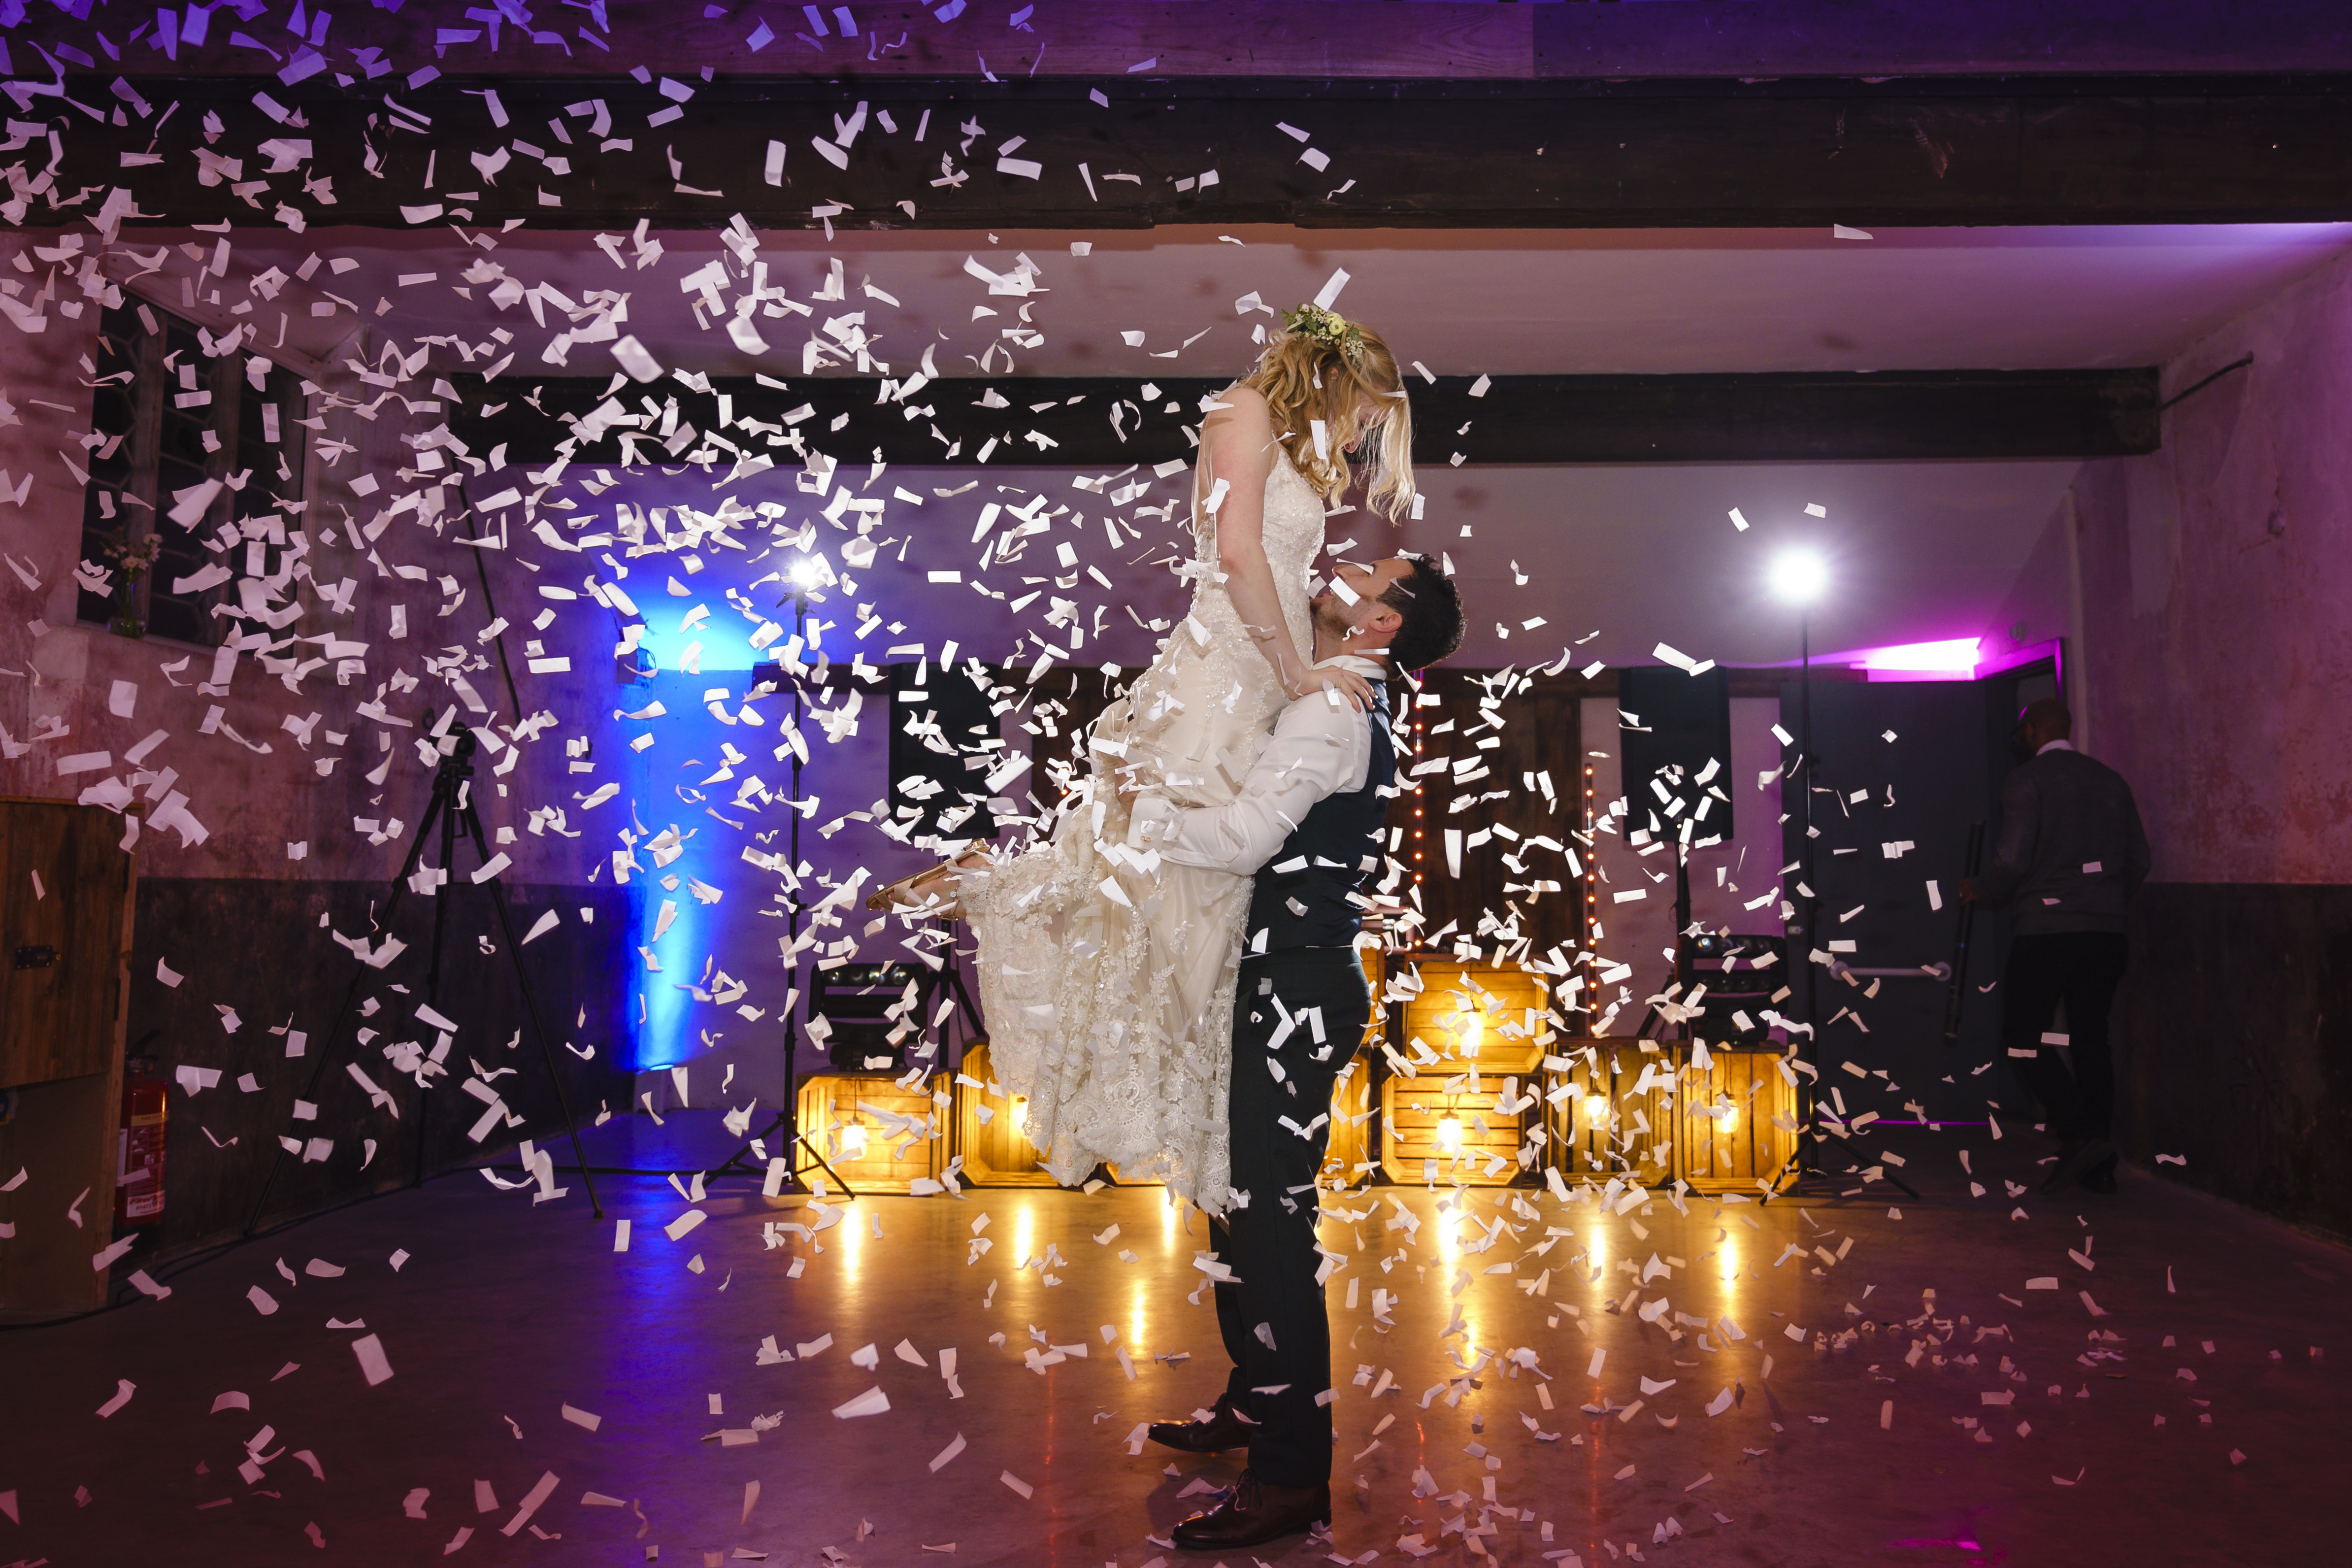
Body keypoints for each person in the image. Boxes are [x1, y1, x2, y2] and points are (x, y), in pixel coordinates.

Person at [869, 305, 1417, 1214]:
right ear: (1333, 373)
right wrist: (1295, 668)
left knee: (1201, 888)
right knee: (1155, 883)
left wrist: (1295, 675)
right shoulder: (1238, 412)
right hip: (1228, 666)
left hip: (1268, 670)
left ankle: (996, 887)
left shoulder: (1289, 442)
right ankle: (996, 885)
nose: (1361, 434)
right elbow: (1238, 553)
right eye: (1365, 409)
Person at [1136, 554, 1465, 1551]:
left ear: (1380, 623)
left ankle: (1289, 1476)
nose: (1345, 569)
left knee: (1271, 1230)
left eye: (1373, 575)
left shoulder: (1332, 712)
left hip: (1292, 993)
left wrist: (1134, 816)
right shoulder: (1337, 696)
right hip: (1279, 986)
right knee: (1233, 1211)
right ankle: (1252, 1399)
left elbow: (1239, 839)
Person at [1962, 698, 2151, 1195]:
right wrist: (2104, 902)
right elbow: (2139, 859)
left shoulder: (2027, 781)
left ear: (2028, 733)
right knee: (2092, 1041)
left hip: (2046, 932)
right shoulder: (2111, 781)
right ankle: (2099, 1164)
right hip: (2105, 932)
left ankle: (2079, 1132)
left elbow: (2012, 861)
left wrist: (1976, 888)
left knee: (2022, 1039)